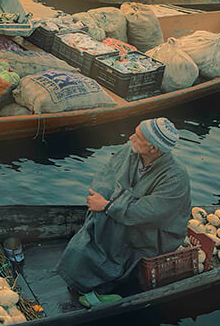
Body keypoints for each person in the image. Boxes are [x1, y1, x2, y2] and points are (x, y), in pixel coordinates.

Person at [55, 119, 191, 298]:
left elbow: (149, 212)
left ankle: (103, 278)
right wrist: (100, 200)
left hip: (156, 232)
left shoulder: (176, 177)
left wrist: (109, 206)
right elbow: (106, 175)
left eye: (138, 136)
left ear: (153, 149)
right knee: (98, 221)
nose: (131, 137)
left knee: (112, 229)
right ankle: (86, 271)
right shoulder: (132, 151)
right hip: (124, 210)